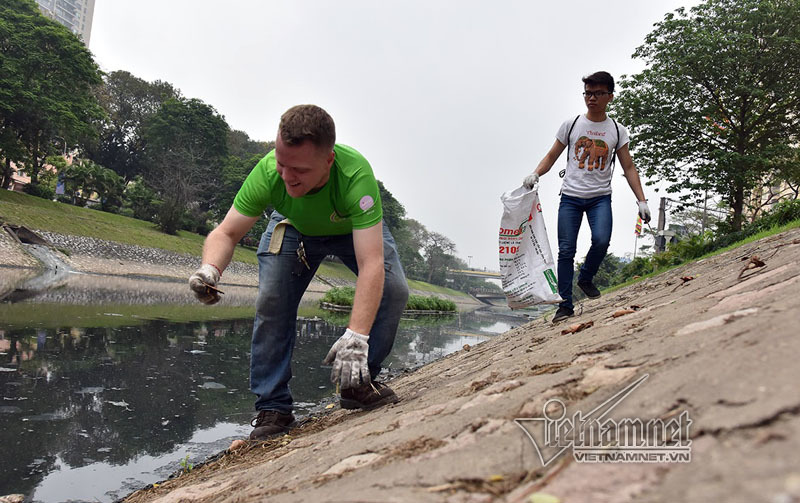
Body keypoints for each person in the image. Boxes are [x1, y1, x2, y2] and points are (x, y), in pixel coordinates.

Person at [189, 104, 408, 440]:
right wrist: (210, 268)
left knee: (394, 291)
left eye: (300, 170)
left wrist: (357, 335)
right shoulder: (268, 172)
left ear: (328, 160)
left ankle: (357, 382)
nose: (287, 177)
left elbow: (371, 263)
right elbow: (226, 233)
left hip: (350, 229)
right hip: (293, 227)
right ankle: (273, 407)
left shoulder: (354, 176)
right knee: (272, 301)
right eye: (281, 163)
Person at [522, 71, 651, 323]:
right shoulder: (571, 125)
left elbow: (628, 167)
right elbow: (552, 156)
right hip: (570, 197)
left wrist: (642, 200)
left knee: (602, 240)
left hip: (600, 198)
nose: (591, 98)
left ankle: (586, 277)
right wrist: (535, 174)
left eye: (598, 93)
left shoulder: (617, 130)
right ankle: (565, 306)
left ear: (610, 97)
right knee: (566, 251)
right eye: (588, 93)